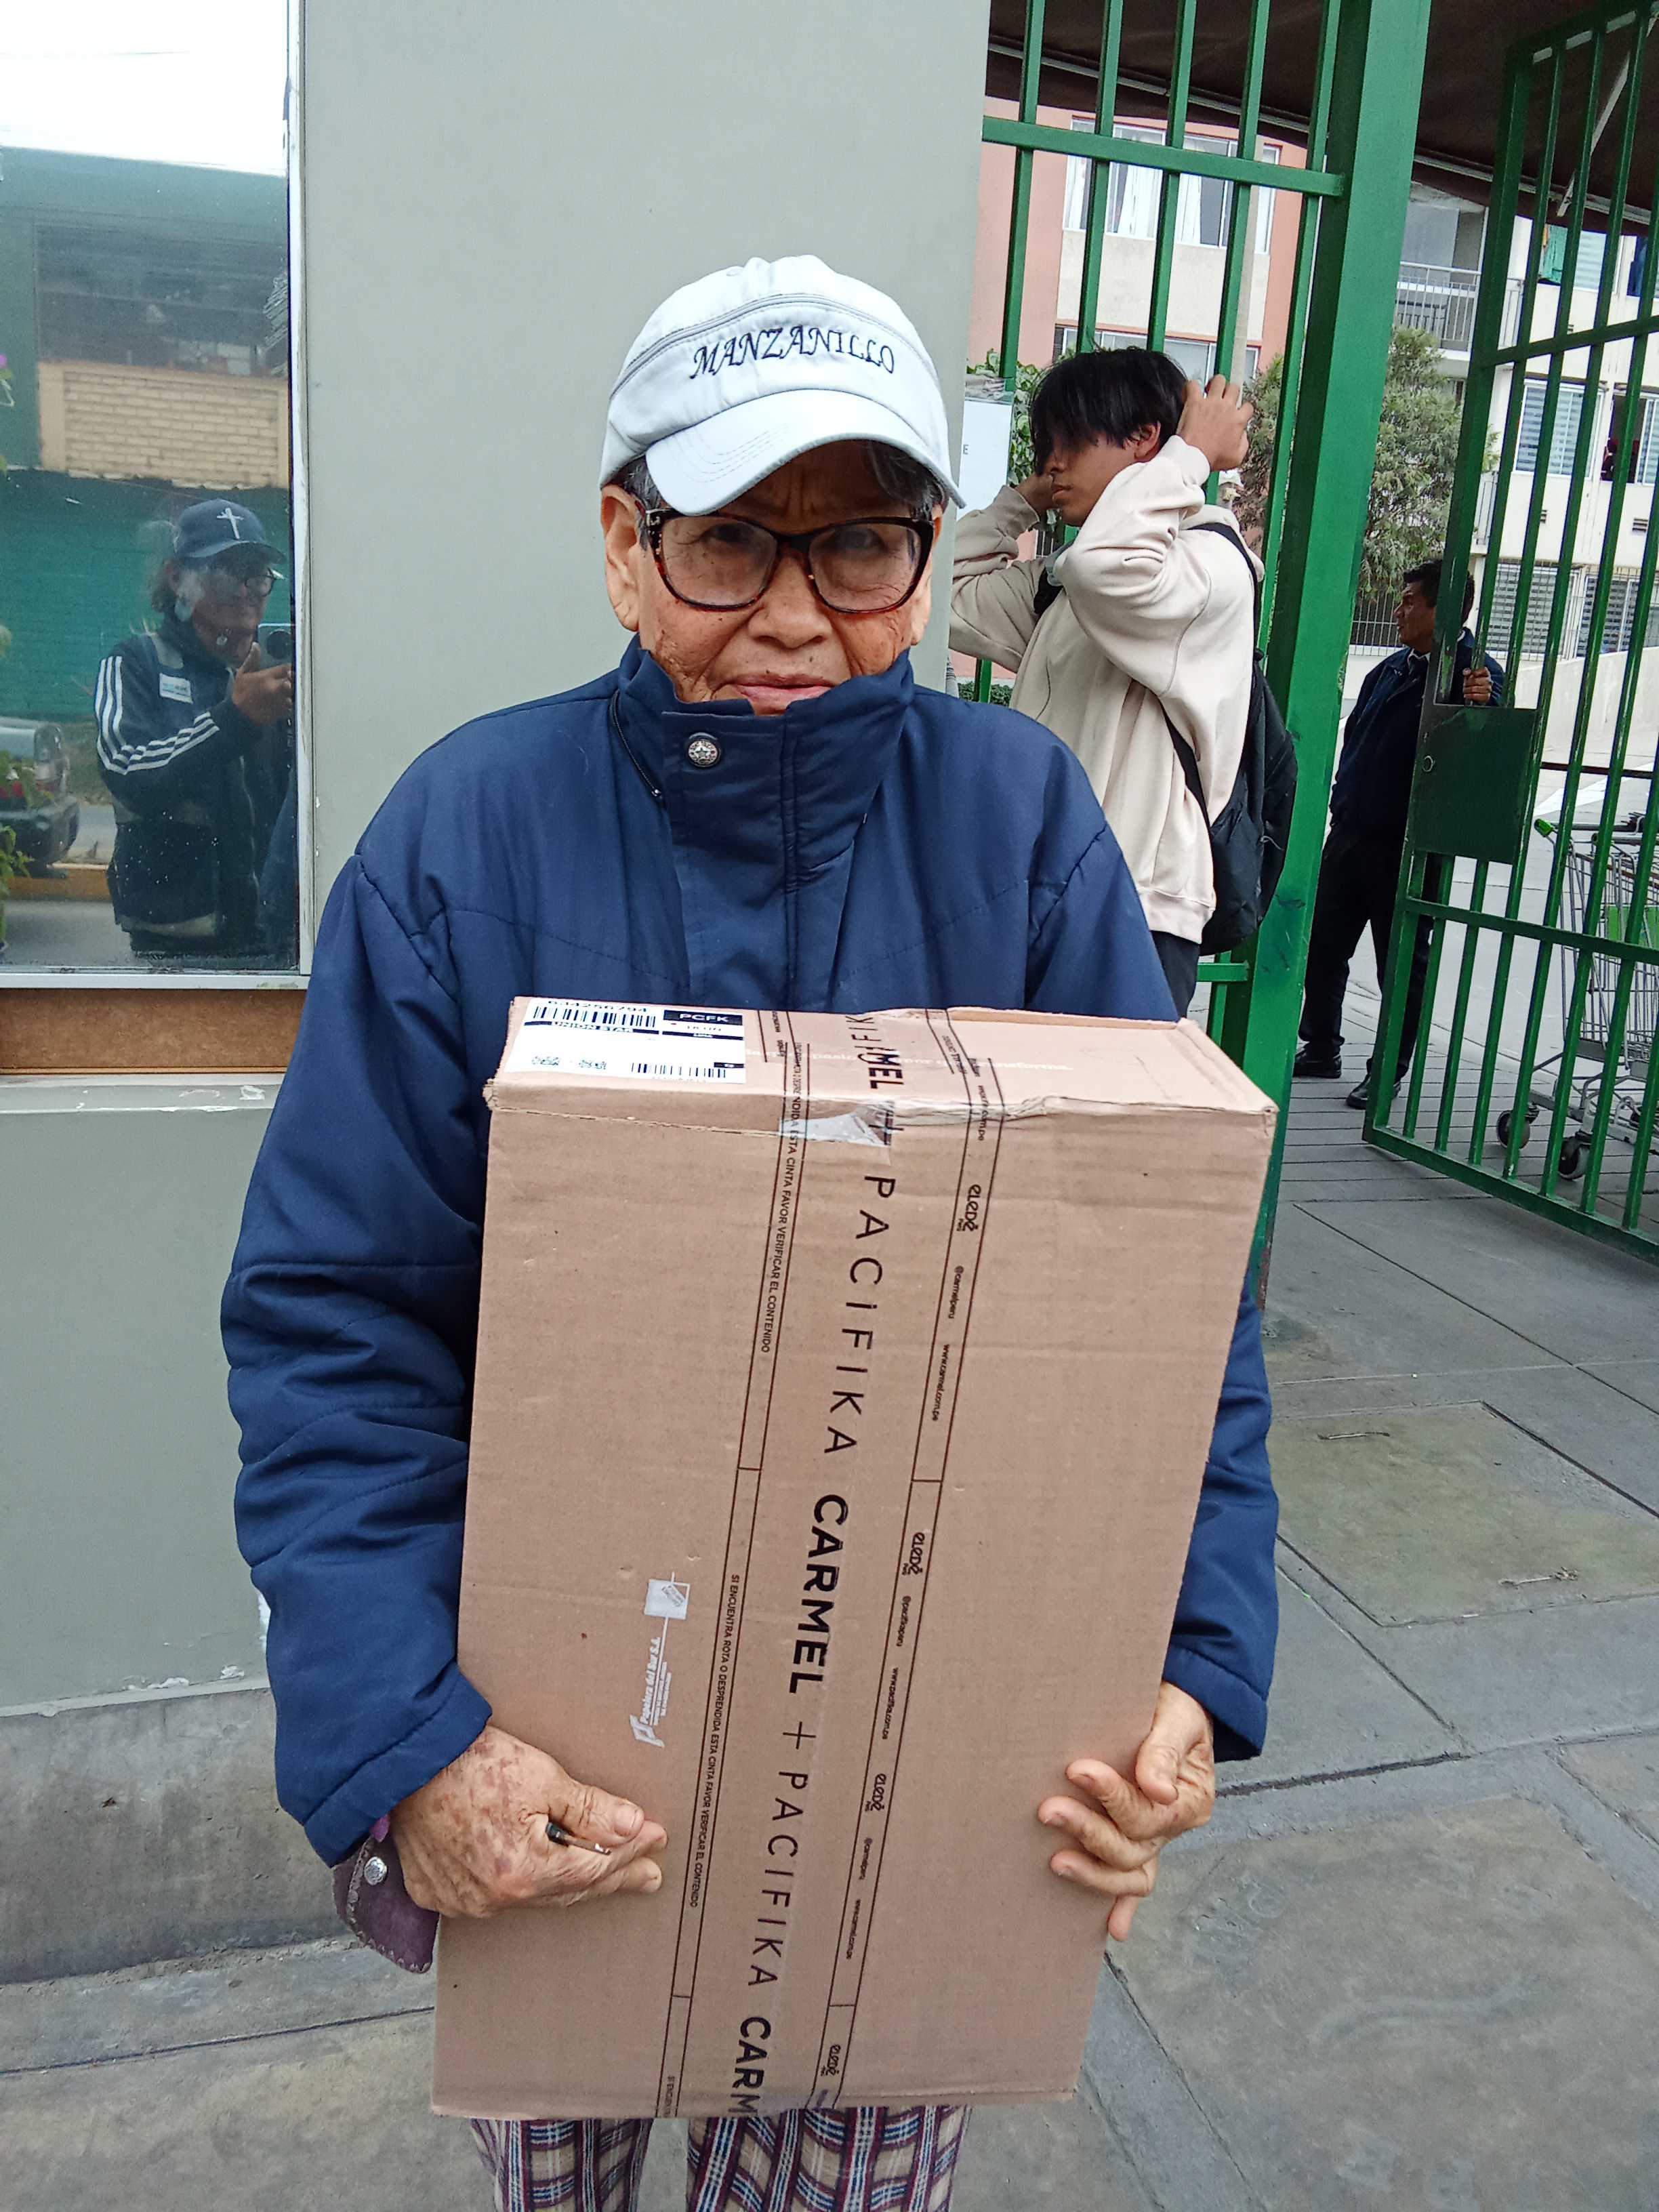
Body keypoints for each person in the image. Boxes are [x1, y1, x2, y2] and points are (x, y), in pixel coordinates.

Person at [223, 258, 1277, 2212]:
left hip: (927, 1771)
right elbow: (337, 1325)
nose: (796, 613)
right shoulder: (467, 836)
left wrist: (1181, 1674)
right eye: (727, 541)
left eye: (860, 542)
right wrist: (407, 1749)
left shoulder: (1022, 831)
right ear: (623, 548)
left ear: (929, 554)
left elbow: (1164, 1304)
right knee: (556, 2162)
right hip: (557, 1750)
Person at [948, 347, 1258, 1015]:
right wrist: (1025, 501)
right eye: (1047, 447)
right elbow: (946, 592)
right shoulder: (1065, 583)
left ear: (1145, 438)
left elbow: (1110, 566)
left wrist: (1190, 455)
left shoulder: (1208, 567)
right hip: (1039, 896)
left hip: (1135, 907)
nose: (1053, 463)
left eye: (1071, 442)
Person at [1294, 556, 1506, 1107]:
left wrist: (1483, 707)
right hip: (1352, 831)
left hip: (1409, 847)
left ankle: (1387, 1069)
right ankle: (1321, 1046)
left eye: (1410, 601)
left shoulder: (1474, 675)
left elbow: (1488, 751)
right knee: (1325, 945)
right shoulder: (1389, 670)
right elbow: (1357, 740)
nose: (1398, 609)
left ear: (1445, 611)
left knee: (1401, 962)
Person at [96, 499, 295, 962]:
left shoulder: (286, 669)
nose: (246, 591)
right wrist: (235, 720)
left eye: (258, 575)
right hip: (175, 951)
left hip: (282, 943)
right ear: (176, 578)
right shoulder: (136, 663)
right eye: (227, 572)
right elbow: (128, 772)